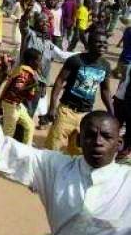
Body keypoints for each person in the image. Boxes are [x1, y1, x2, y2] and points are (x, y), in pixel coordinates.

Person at [0, 54, 131, 235]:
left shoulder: (127, 180)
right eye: (90, 136)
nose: (98, 141)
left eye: (106, 136)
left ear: (118, 145)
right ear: (78, 141)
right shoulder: (55, 167)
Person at [47, 27, 113, 155]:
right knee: (53, 149)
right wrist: (52, 107)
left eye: (105, 43)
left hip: (85, 116)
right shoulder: (75, 60)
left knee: (77, 153)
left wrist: (111, 112)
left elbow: (105, 91)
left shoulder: (105, 65)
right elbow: (59, 82)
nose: (102, 45)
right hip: (66, 111)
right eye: (98, 42)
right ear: (89, 44)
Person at [0, 48, 42, 144]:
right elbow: (17, 90)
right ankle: (0, 155)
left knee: (30, 126)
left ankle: (26, 150)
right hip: (11, 104)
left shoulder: (28, 72)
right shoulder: (24, 73)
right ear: (31, 61)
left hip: (16, 105)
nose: (40, 63)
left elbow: (28, 97)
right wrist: (33, 85)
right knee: (8, 132)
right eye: (38, 61)